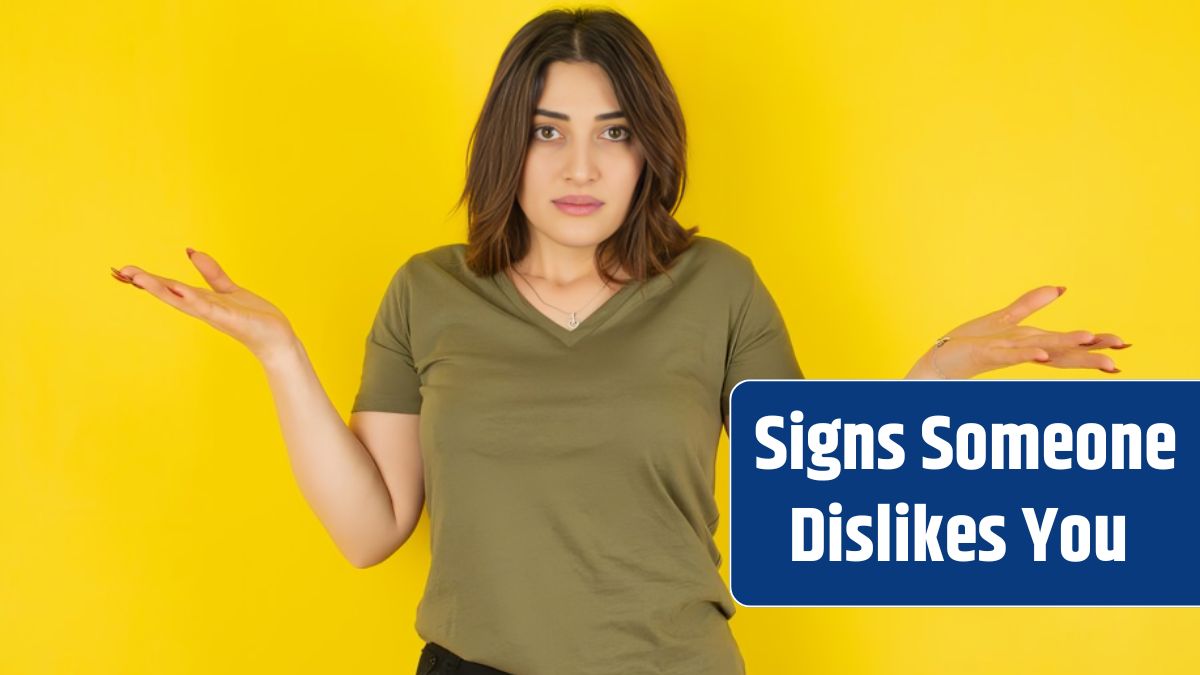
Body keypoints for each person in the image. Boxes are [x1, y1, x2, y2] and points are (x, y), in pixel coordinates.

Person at [109, 7, 1128, 675]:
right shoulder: (428, 293)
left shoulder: (716, 285)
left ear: (651, 150)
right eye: (550, 130)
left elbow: (808, 498)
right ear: (509, 143)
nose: (581, 165)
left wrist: (936, 376)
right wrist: (282, 355)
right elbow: (372, 530)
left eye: (615, 131)